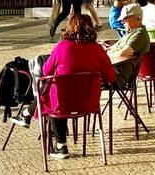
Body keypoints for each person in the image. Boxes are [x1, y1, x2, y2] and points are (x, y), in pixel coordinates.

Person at [40, 14, 116, 159]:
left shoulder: (61, 46)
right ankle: (28, 115)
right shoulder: (97, 49)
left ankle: (61, 145)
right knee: (54, 95)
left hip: (62, 103)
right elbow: (110, 77)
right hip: (88, 103)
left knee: (49, 95)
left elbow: (45, 71)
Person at [107, 3, 150, 90]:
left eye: (124, 20)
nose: (122, 23)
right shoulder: (130, 32)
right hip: (112, 70)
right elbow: (112, 48)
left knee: (82, 77)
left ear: (134, 19)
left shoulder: (139, 34)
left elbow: (122, 54)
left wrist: (103, 57)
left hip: (117, 76)